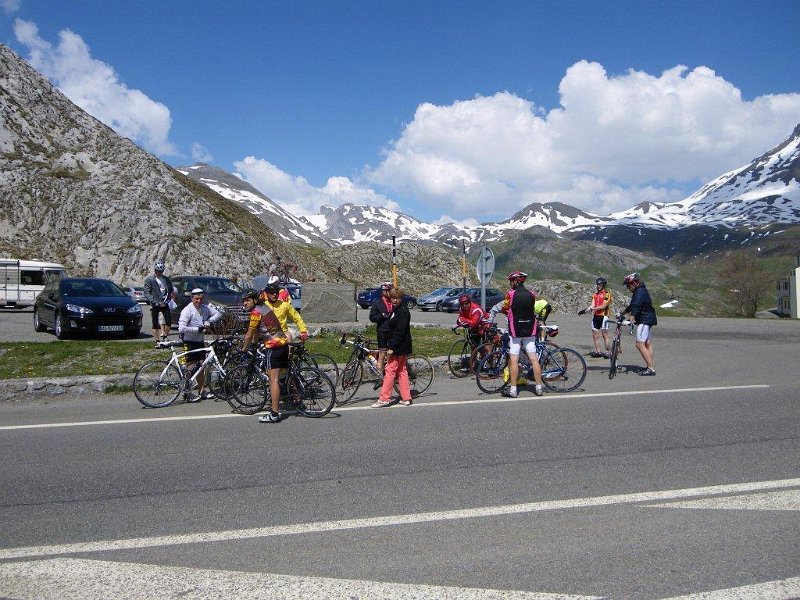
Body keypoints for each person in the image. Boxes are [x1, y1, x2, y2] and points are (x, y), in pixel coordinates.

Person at [256, 282, 309, 423]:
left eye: (276, 292)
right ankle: (277, 395)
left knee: (285, 371)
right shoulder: (263, 305)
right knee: (270, 372)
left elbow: (296, 317)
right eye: (271, 292)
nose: (274, 294)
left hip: (282, 339)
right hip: (267, 339)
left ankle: (296, 399)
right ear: (266, 293)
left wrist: (303, 330)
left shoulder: (284, 305)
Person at [239, 289, 288, 423]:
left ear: (255, 300)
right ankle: (295, 398)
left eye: (247, 300)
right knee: (282, 376)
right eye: (243, 301)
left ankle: (274, 414)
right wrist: (255, 344)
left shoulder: (256, 312)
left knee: (273, 380)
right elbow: (258, 330)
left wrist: (244, 349)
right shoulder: (264, 307)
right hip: (283, 343)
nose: (244, 303)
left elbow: (249, 334)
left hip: (274, 346)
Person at [496, 271, 544, 398]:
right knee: (534, 359)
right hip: (530, 330)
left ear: (516, 281)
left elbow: (505, 308)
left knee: (513, 359)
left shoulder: (510, 294)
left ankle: (513, 390)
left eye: (511, 281)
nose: (510, 283)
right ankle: (539, 388)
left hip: (516, 331)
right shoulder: (531, 294)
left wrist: (507, 311)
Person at [177, 288, 222, 402]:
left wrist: (209, 321)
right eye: (196, 299)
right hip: (189, 341)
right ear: (192, 298)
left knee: (201, 367)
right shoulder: (187, 310)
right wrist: (197, 329)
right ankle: (187, 392)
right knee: (191, 367)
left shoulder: (204, 308)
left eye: (201, 299)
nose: (199, 301)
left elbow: (218, 313)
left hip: (200, 341)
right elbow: (181, 328)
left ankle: (202, 391)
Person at [372, 287, 413, 407]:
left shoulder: (402, 311)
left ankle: (384, 398)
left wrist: (392, 347)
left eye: (398, 298)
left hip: (399, 346)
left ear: (401, 299)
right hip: (401, 345)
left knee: (390, 371)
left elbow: (400, 331)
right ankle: (406, 398)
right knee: (402, 371)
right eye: (393, 298)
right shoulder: (397, 309)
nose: (395, 300)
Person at [621, 272, 657, 376]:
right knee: (647, 343)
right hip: (648, 319)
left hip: (644, 320)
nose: (628, 288)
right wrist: (622, 313)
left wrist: (630, 319)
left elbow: (636, 306)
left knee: (639, 344)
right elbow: (632, 305)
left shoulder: (639, 291)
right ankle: (650, 366)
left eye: (629, 285)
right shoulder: (640, 290)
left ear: (634, 283)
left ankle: (650, 368)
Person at [143, 261, 176, 346]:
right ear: (155, 270)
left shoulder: (166, 279)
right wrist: (153, 301)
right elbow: (146, 292)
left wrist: (168, 299)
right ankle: (157, 340)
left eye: (161, 271)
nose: (159, 272)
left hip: (165, 302)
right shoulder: (150, 280)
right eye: (158, 271)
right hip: (155, 303)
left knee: (168, 321)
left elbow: (170, 290)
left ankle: (165, 337)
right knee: (155, 323)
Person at [578, 277, 613, 358]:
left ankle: (608, 352)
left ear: (603, 285)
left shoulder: (607, 294)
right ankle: (598, 352)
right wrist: (585, 310)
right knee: (595, 335)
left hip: (604, 316)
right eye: (597, 284)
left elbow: (603, 306)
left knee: (604, 334)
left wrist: (592, 308)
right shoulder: (595, 295)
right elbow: (592, 305)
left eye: (599, 284)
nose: (598, 286)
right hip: (596, 317)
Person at [369, 282, 394, 373]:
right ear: (383, 291)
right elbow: (372, 318)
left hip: (393, 331)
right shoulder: (377, 303)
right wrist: (382, 316)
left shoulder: (394, 301)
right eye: (388, 291)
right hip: (382, 331)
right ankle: (381, 376)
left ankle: (390, 373)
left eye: (390, 291)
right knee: (382, 354)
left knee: (392, 353)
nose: (389, 293)